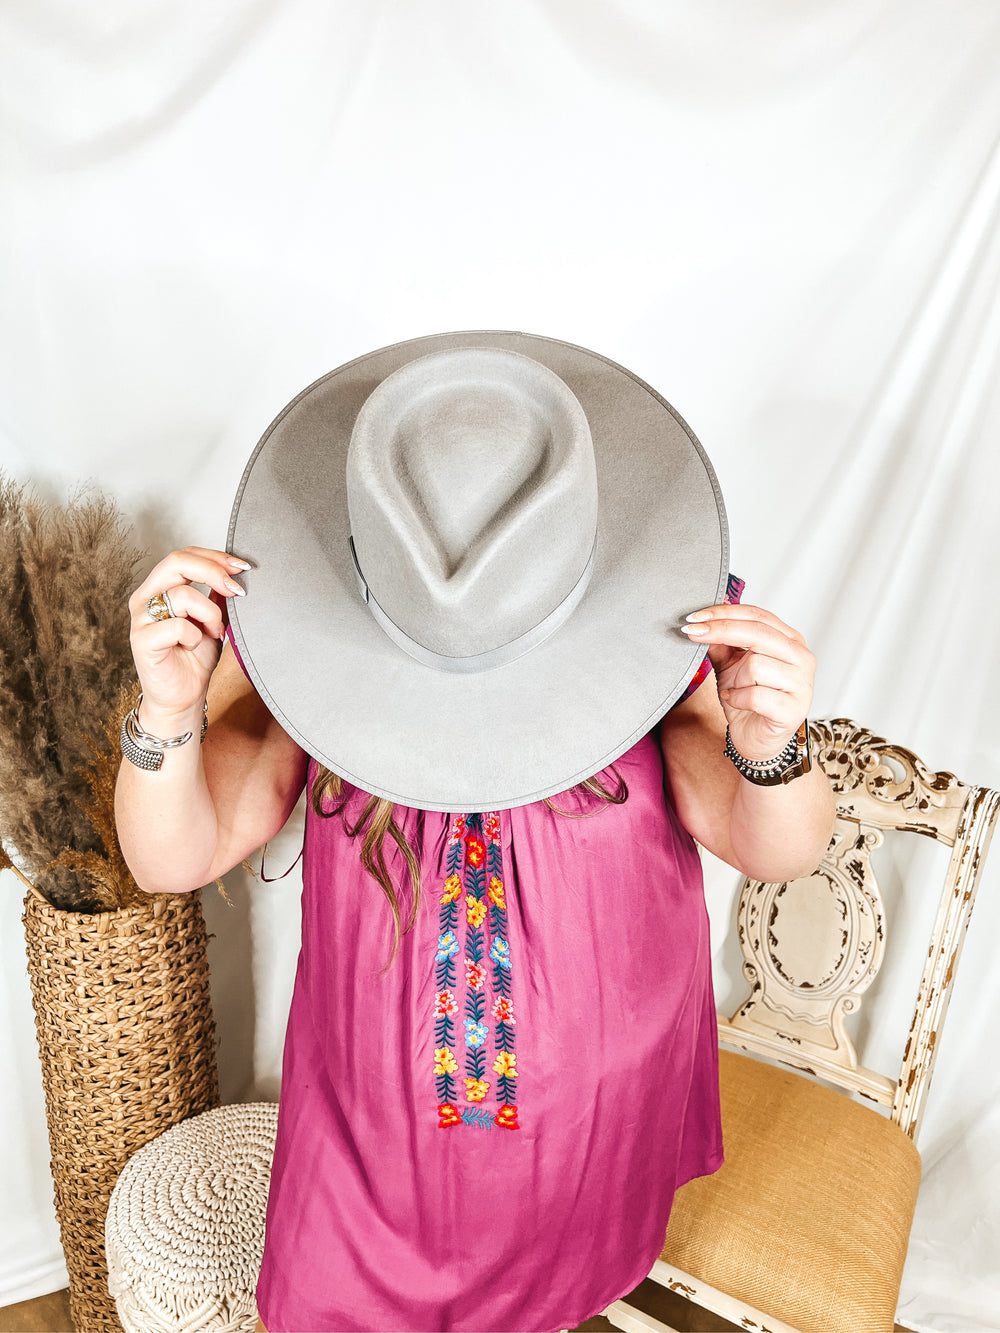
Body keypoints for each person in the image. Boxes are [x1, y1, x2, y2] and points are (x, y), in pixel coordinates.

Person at [115, 333, 835, 1333]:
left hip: (592, 1130)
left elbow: (779, 849)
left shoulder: (652, 642)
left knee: (563, 1301)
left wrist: (770, 747)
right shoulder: (302, 648)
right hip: (370, 1146)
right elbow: (170, 857)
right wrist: (166, 711)